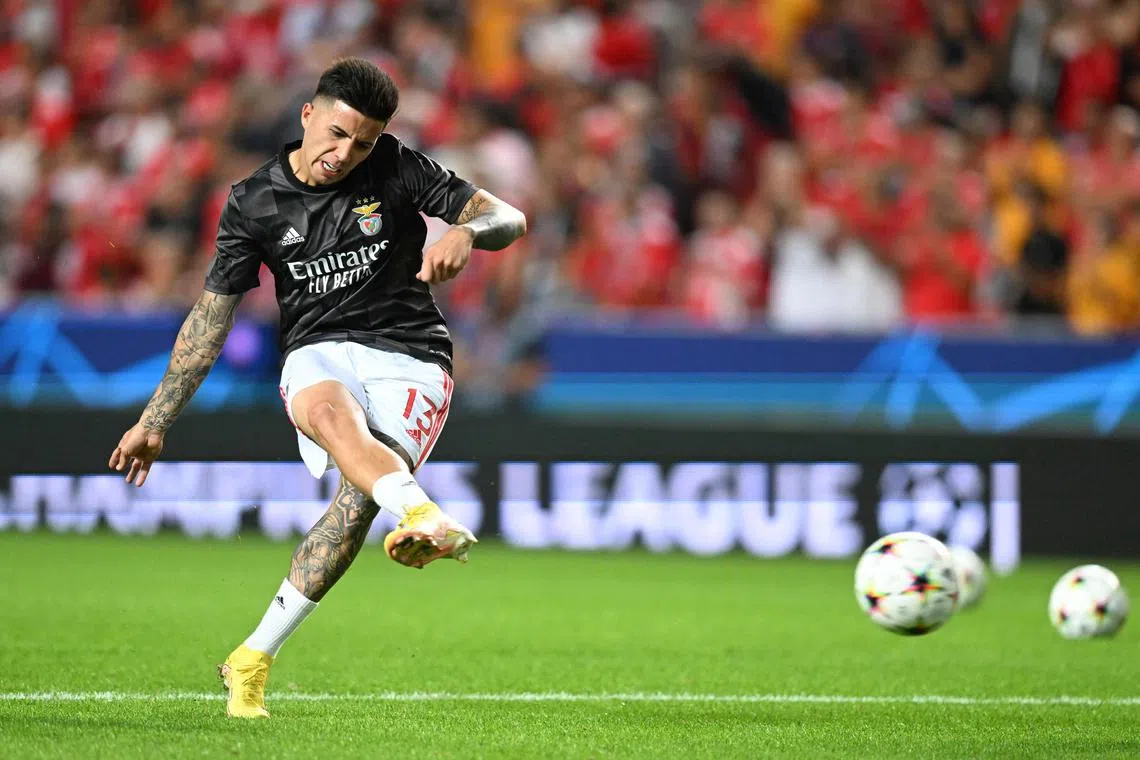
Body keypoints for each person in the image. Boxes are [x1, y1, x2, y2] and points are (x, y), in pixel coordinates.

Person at [106, 58, 527, 718]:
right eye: (336, 134)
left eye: (361, 142)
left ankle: (251, 657)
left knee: (354, 508)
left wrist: (467, 232)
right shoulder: (254, 201)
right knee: (326, 408)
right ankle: (419, 510)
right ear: (308, 114)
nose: (345, 153)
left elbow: (508, 216)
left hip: (412, 356)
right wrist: (156, 418)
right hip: (318, 351)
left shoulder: (392, 165)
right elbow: (211, 317)